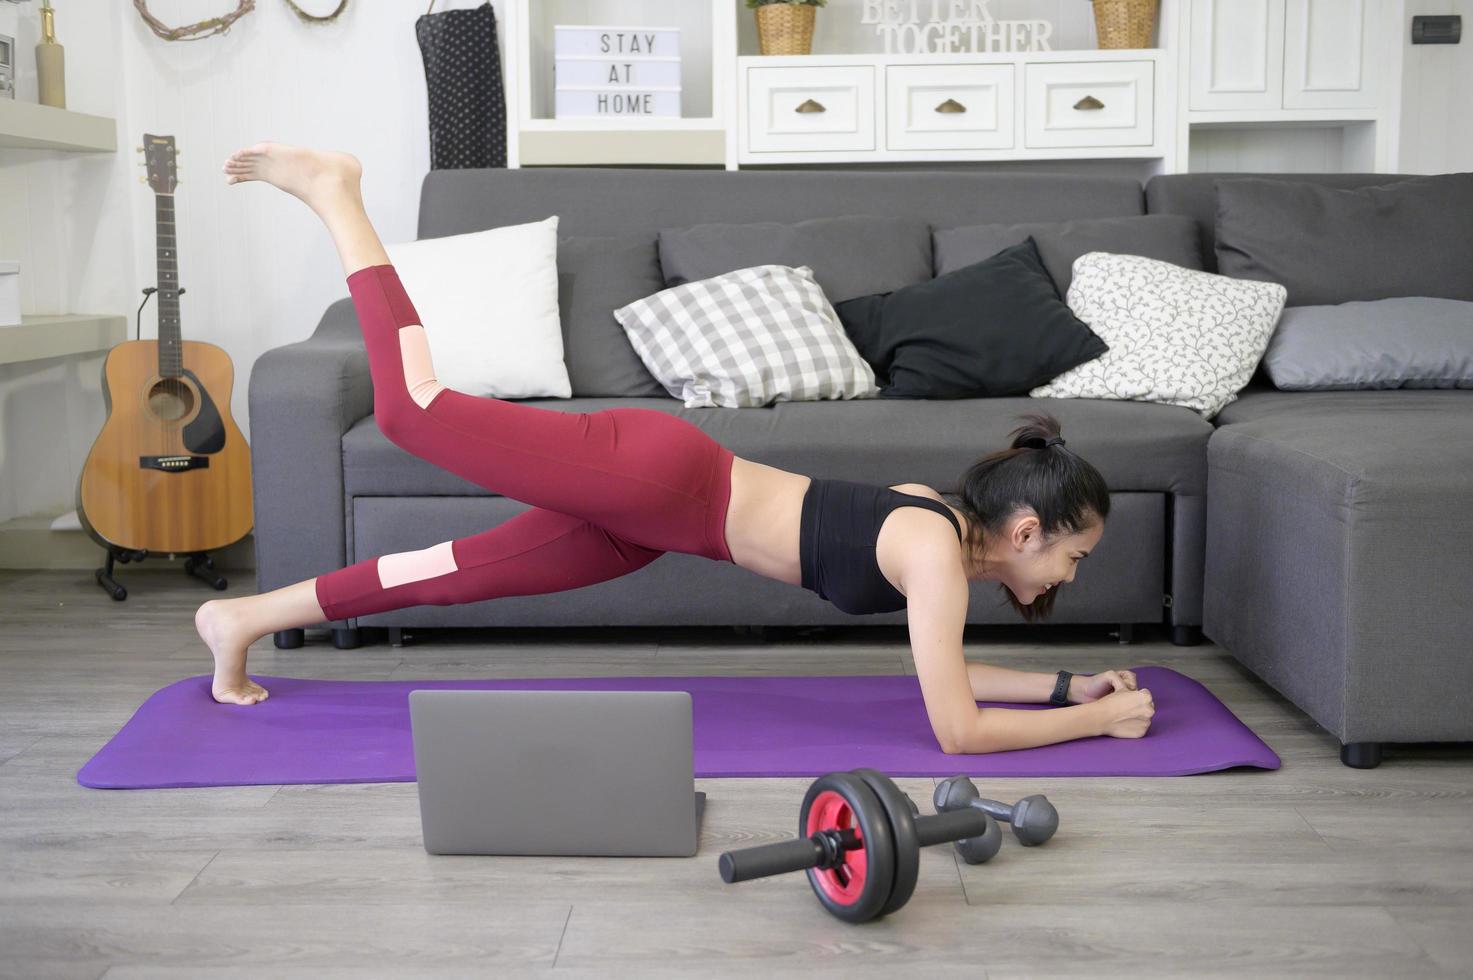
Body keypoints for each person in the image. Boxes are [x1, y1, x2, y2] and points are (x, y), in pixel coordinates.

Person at [198, 141, 1156, 754]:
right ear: (1027, 528)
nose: (1073, 572)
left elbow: (947, 672)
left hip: (654, 521)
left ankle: (242, 622)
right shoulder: (934, 555)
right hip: (655, 479)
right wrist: (1096, 721)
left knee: (452, 573)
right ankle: (337, 195)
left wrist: (1068, 683)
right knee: (411, 408)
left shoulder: (938, 534)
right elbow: (954, 727)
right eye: (1075, 553)